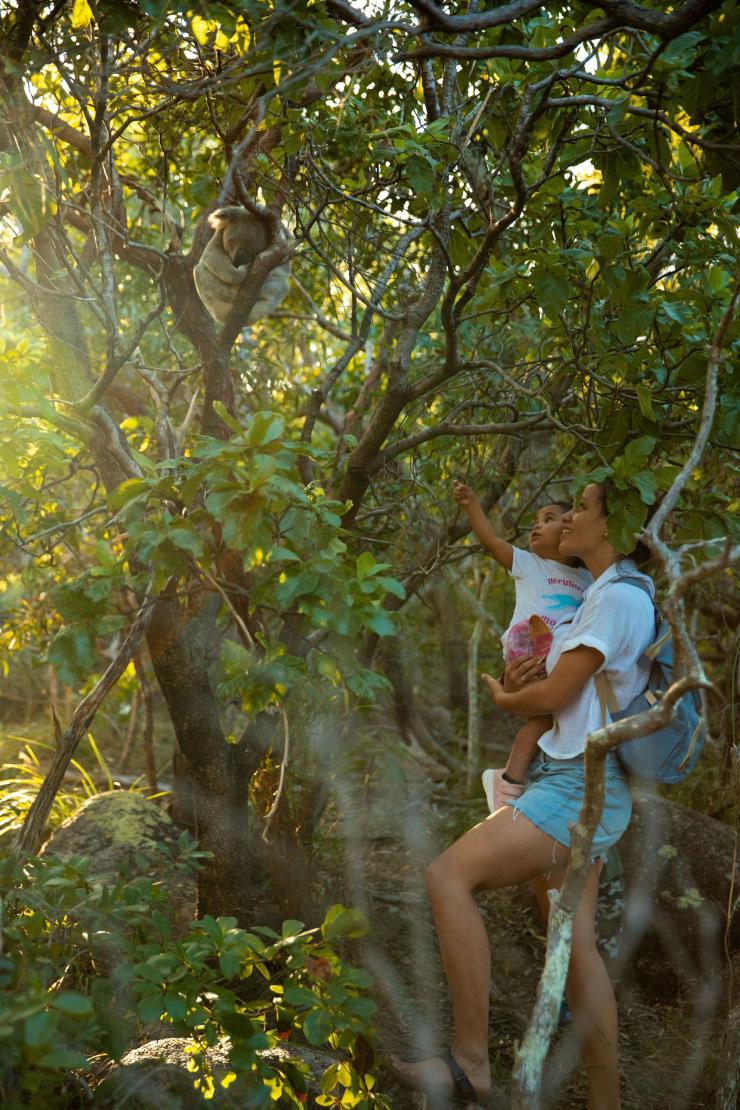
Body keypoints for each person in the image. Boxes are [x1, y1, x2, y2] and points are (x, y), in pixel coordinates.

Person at [389, 482, 656, 1109]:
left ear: (612, 525)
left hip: (580, 785)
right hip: (575, 777)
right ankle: (606, 1102)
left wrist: (508, 699)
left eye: (583, 509)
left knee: (447, 877)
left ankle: (470, 1063)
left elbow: (554, 696)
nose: (569, 518)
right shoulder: (599, 595)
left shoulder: (617, 599)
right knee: (575, 942)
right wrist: (519, 681)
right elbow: (559, 686)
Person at [452, 481, 592, 810]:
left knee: (541, 724)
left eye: (548, 518)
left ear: (571, 526)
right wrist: (472, 504)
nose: (537, 525)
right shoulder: (529, 563)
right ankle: (546, 641)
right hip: (525, 651)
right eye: (535, 521)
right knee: (548, 645)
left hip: (555, 665)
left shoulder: (589, 580)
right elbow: (491, 540)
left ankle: (507, 782)